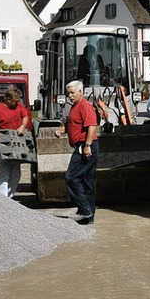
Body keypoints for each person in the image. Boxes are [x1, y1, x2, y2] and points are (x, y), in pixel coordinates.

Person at [54, 79, 98, 224]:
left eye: (72, 93)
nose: (70, 96)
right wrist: (62, 129)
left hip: (85, 146)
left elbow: (92, 126)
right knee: (85, 182)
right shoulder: (74, 107)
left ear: (80, 92)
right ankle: (88, 218)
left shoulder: (85, 106)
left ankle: (84, 210)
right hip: (83, 145)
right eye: (68, 94)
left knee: (71, 177)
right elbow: (72, 124)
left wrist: (87, 145)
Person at [0, 88, 29, 198]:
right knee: (4, 172)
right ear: (7, 100)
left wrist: (22, 126)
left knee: (16, 174)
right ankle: (3, 199)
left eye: (18, 101)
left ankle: (9, 198)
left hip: (17, 144)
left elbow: (25, 116)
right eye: (15, 101)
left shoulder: (18, 106)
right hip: (3, 145)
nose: (18, 103)